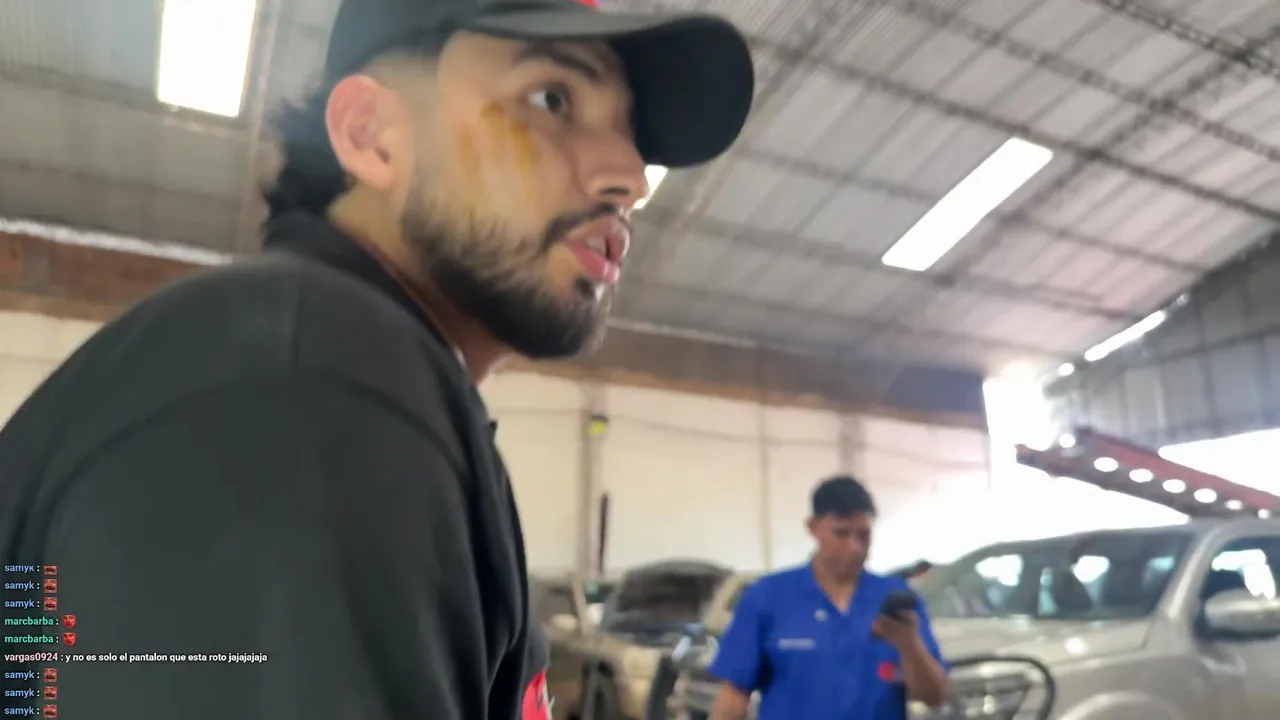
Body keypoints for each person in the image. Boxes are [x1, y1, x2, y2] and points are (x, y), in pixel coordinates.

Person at [0, 0, 753, 717]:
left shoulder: (345, 371)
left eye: (630, 132)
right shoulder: (307, 394)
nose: (629, 176)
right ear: (372, 137)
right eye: (551, 99)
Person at [708, 475, 949, 719]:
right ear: (813, 528)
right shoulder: (769, 598)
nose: (854, 547)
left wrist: (909, 644)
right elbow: (733, 698)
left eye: (864, 535)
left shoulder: (895, 600)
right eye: (841, 534)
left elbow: (935, 696)